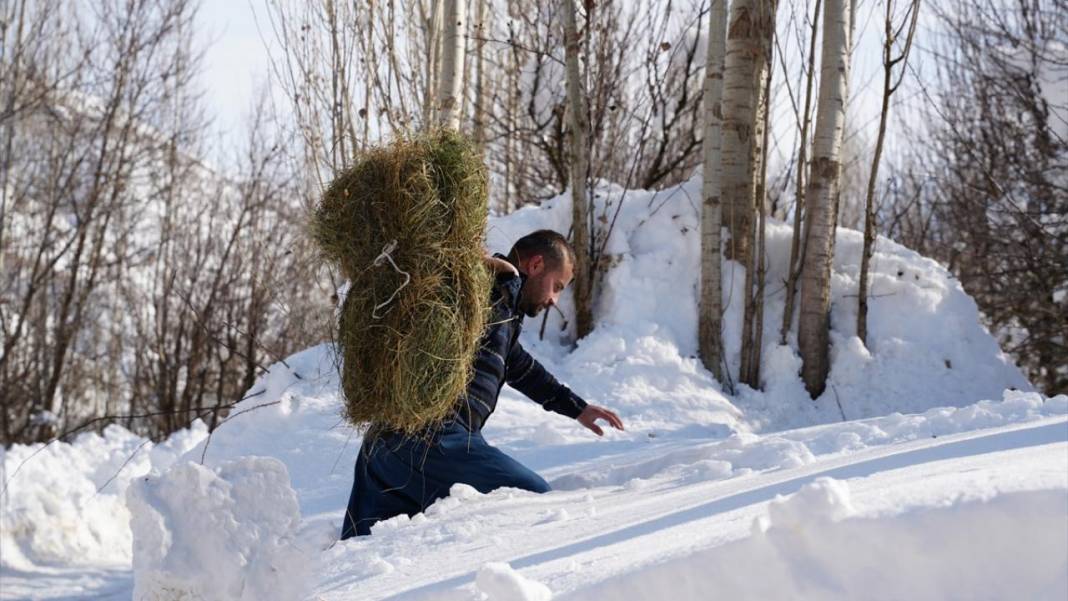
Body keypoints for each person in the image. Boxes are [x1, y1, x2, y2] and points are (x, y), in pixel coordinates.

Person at [340, 229, 624, 538]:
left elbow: (523, 368)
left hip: (382, 445)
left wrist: (577, 408)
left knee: (365, 554)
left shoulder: (502, 317)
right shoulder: (487, 293)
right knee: (534, 503)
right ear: (537, 265)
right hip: (433, 439)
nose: (554, 300)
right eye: (556, 287)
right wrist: (486, 267)